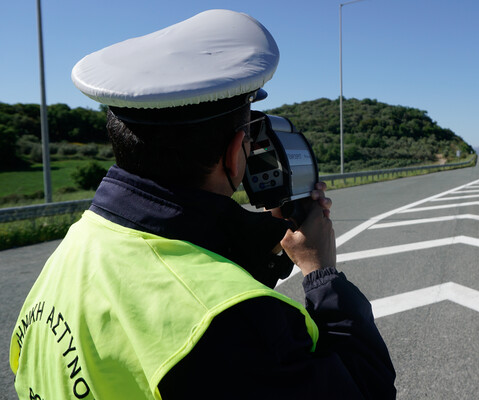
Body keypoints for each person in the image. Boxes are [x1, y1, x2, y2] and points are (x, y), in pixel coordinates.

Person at [10, 9, 396, 399]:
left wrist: (264, 241)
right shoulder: (234, 320)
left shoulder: (72, 251)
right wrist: (321, 274)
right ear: (233, 155)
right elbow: (365, 389)